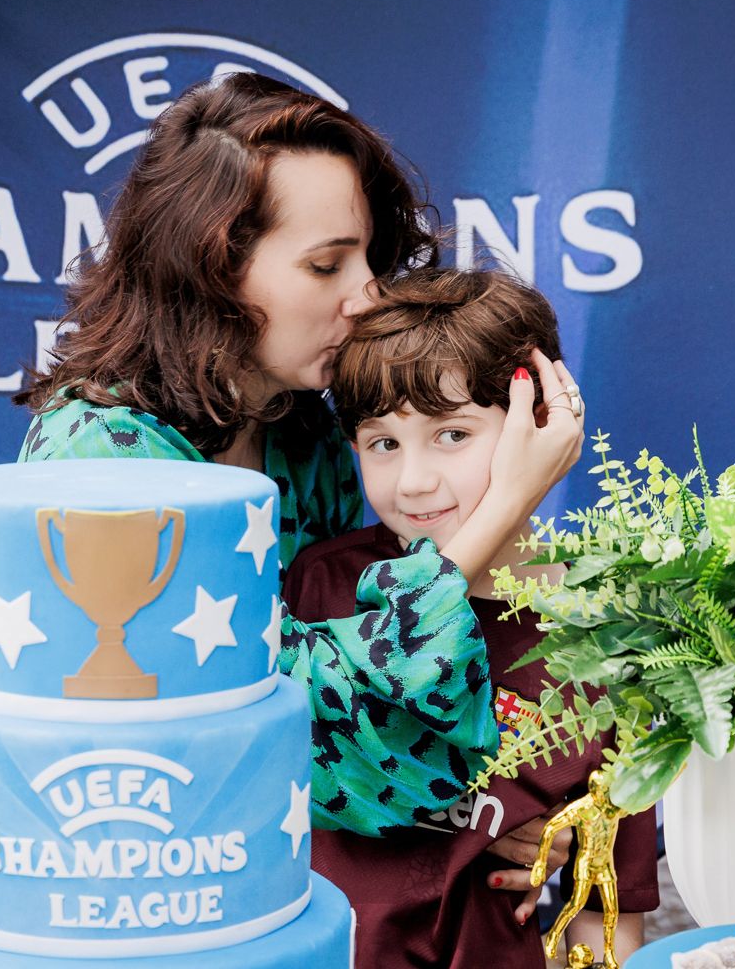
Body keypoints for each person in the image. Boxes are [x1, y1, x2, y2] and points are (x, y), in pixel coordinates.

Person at [15, 73, 584, 852]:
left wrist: (493, 818)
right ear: (207, 270)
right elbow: (294, 729)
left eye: (368, 261)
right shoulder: (101, 460)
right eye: (326, 267)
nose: (366, 296)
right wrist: (502, 506)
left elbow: (373, 746)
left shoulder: (301, 432)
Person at [283, 266, 656, 969]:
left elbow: (610, 917)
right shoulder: (327, 582)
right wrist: (470, 819)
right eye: (383, 442)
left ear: (539, 422)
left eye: (452, 434)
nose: (414, 480)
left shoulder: (603, 631)